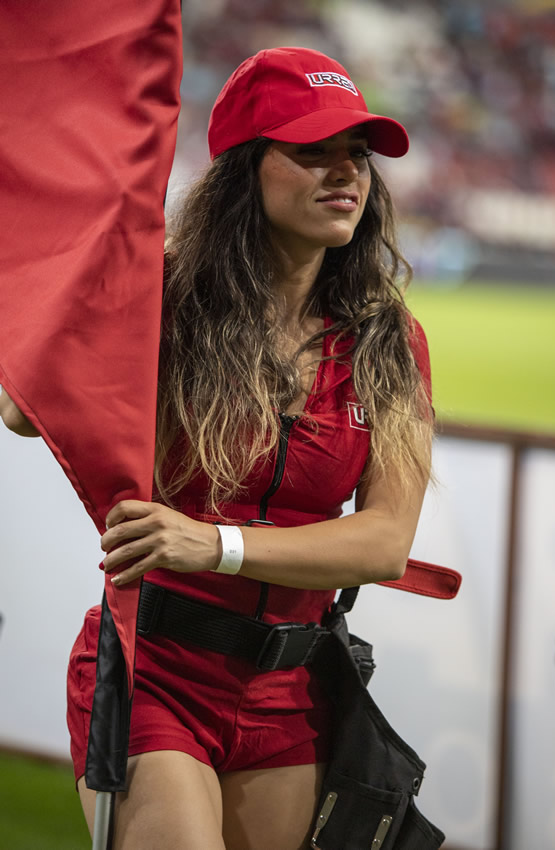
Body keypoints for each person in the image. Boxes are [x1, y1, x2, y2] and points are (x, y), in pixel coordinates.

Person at [1, 46, 434, 850]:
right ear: (243, 169)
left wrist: (215, 544)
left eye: (357, 158)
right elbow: (21, 413)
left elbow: (382, 542)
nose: (343, 175)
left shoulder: (390, 342)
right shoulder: (159, 299)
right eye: (311, 152)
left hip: (295, 691)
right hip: (153, 664)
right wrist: (92, 271)